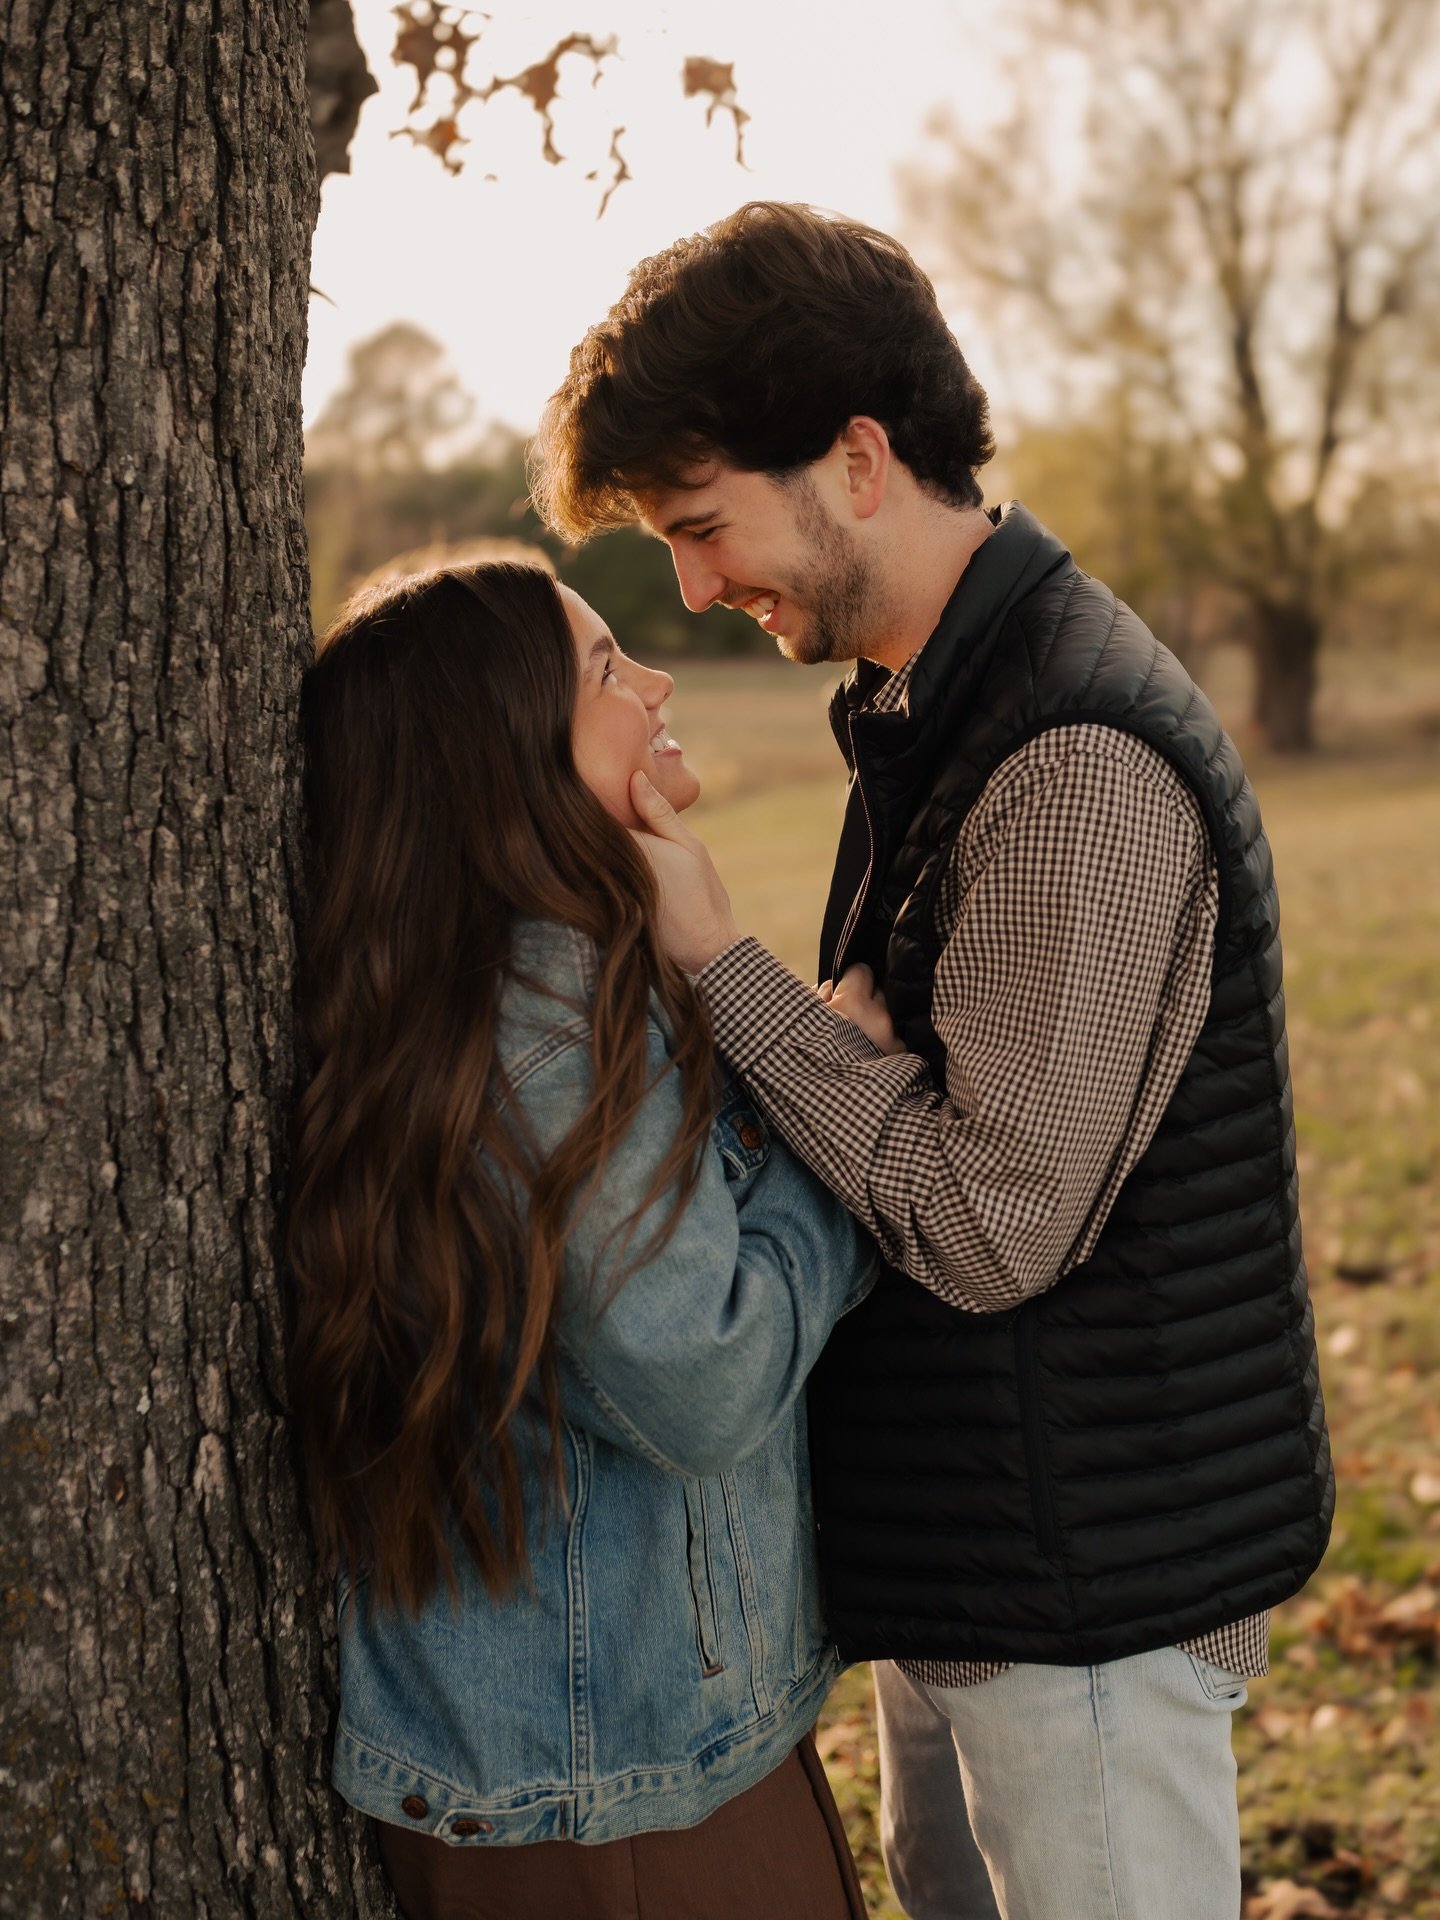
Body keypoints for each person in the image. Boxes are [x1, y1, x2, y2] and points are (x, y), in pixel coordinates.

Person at [530, 201, 1335, 1920]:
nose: (689, 588)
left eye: (702, 526)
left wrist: (723, 975)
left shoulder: (1067, 754)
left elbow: (990, 1222)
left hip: (1087, 1603)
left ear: (859, 458)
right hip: (990, 1571)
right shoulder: (944, 706)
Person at [285, 559, 878, 1920]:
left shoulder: (501, 982)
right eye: (607, 669)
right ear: (499, 755)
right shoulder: (544, 1027)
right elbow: (708, 1373)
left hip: (611, 1754)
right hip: (612, 1789)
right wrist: (840, 1165)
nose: (656, 680)